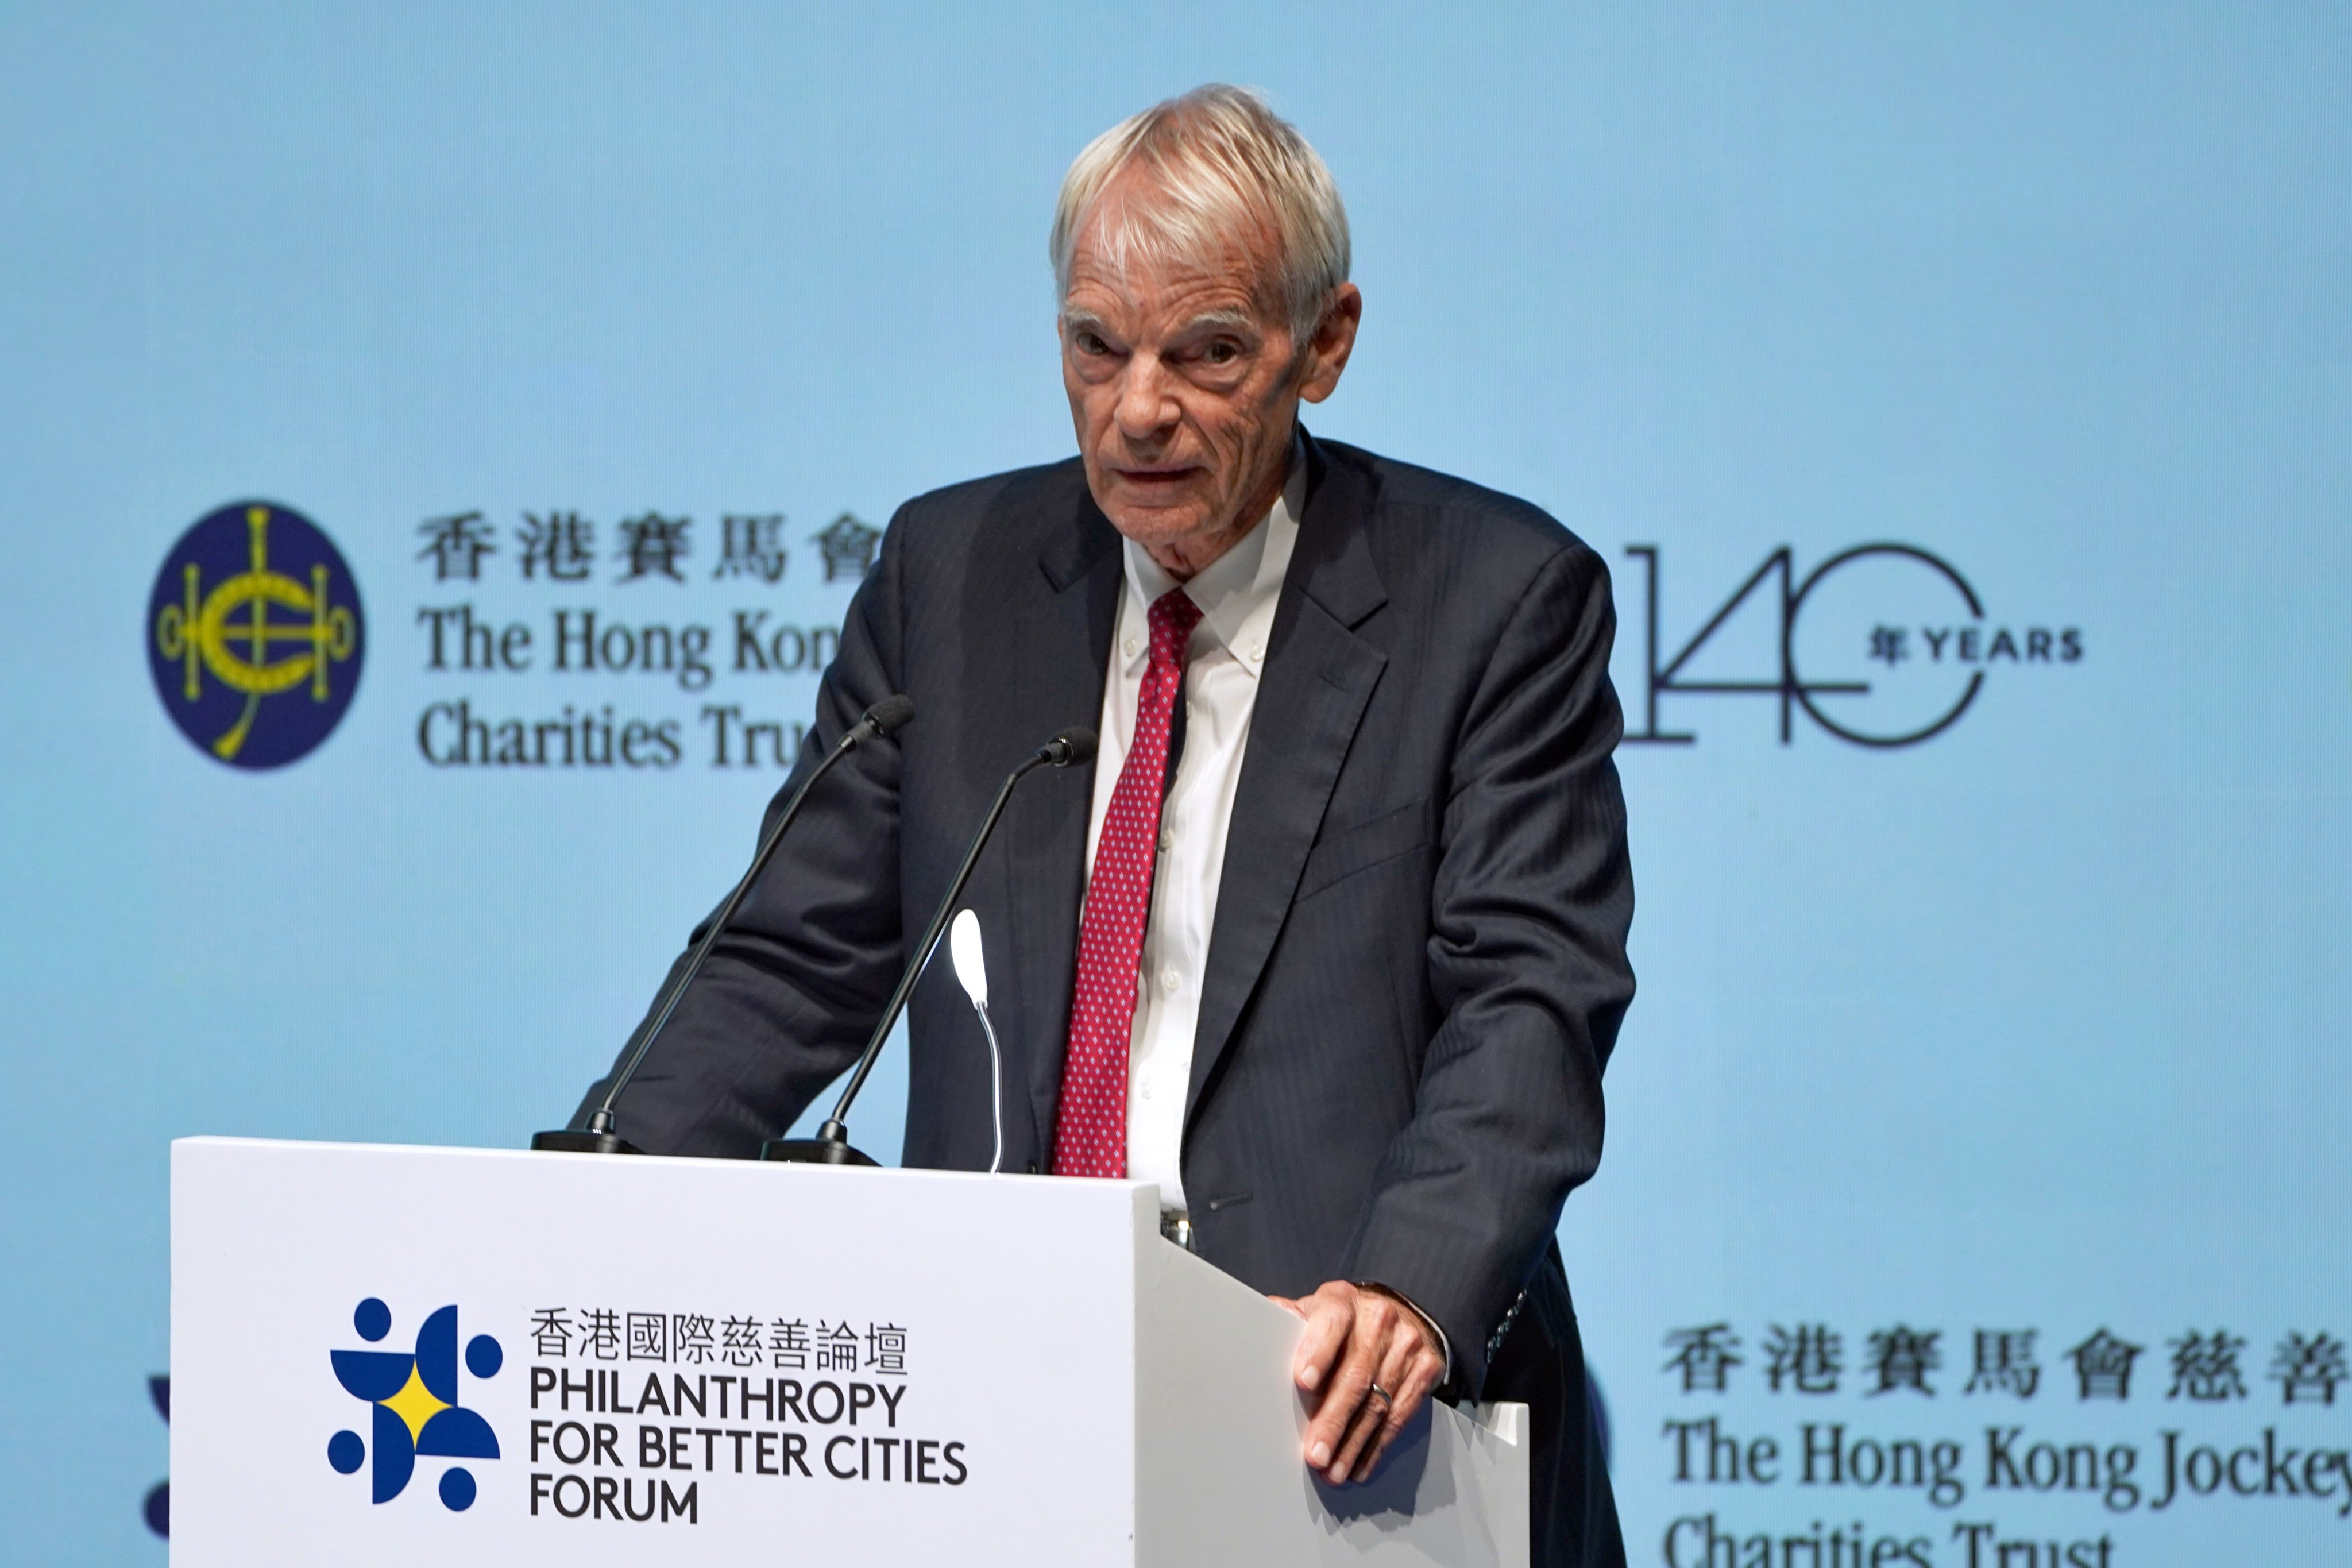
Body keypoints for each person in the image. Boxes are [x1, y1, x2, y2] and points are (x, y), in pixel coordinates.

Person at [570, 84, 1634, 1566]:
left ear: (1324, 345)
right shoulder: (952, 577)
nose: (1141, 408)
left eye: (1206, 353)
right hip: (995, 1404)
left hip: (1336, 1424)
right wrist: (601, 1194)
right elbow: (787, 957)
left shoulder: (1492, 599)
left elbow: (1528, 998)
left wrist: (1407, 1287)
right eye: (1096, 346)